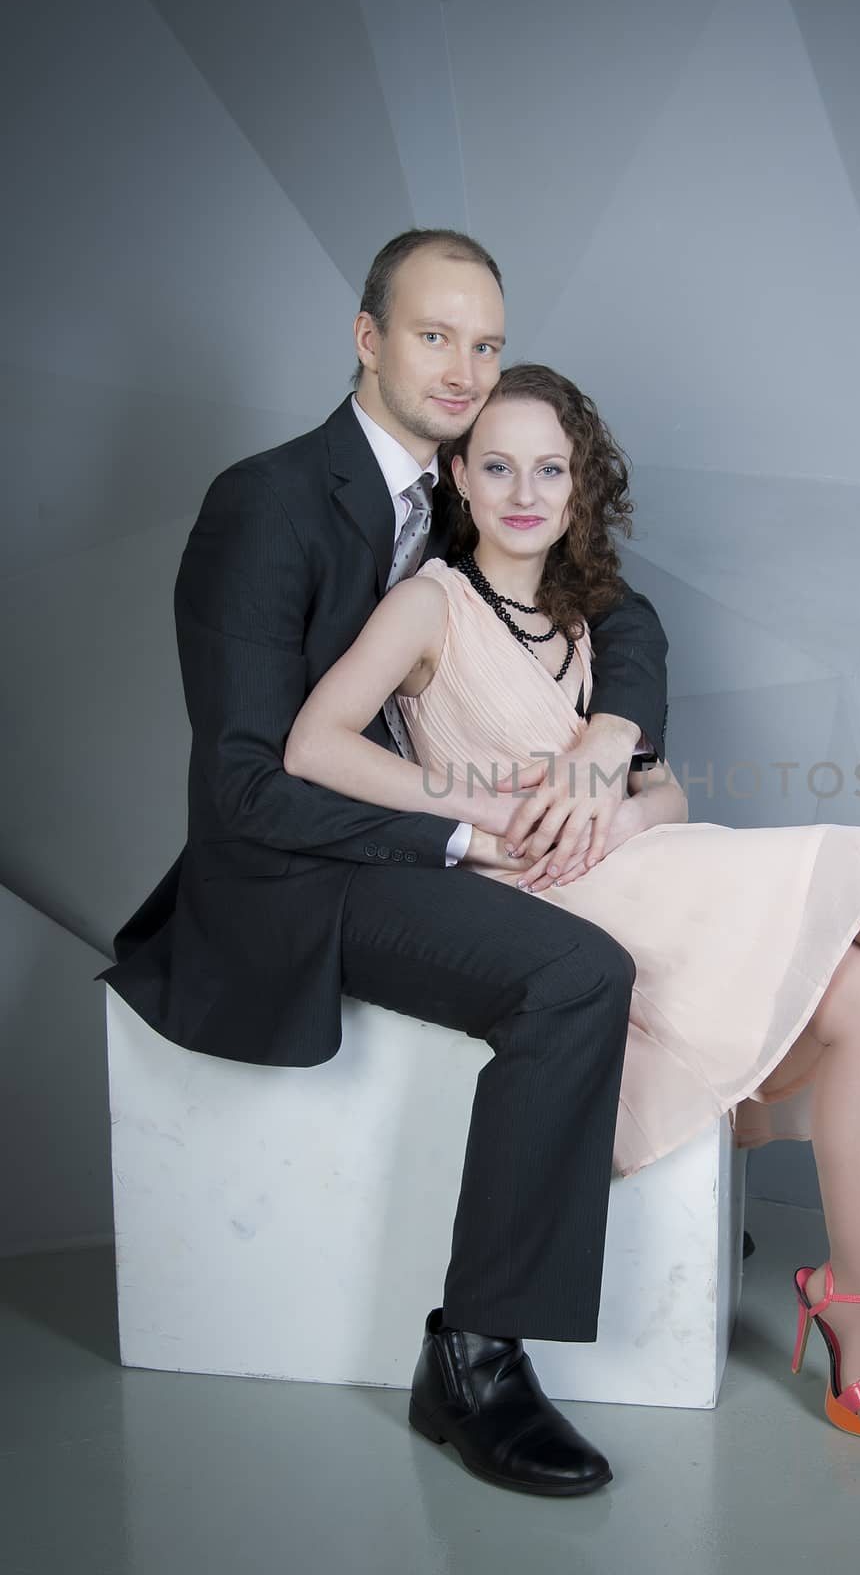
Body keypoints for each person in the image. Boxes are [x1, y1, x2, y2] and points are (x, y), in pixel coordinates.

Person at [286, 361, 860, 1453]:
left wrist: (621, 813)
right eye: (497, 466)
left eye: (550, 468)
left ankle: (858, 1333)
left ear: (578, 488)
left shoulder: (586, 623)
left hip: (641, 865)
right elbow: (313, 744)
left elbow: (659, 791)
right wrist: (471, 798)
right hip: (540, 898)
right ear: (460, 483)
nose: (524, 491)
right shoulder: (426, 603)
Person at [95, 229, 718, 1499]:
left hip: (422, 845)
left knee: (650, 909)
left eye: (484, 342)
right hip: (295, 872)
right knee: (572, 974)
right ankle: (477, 1355)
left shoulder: (457, 486)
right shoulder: (264, 501)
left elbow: (616, 606)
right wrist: (462, 830)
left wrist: (610, 733)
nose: (463, 366)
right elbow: (244, 785)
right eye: (434, 335)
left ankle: (677, 1213)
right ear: (367, 337)